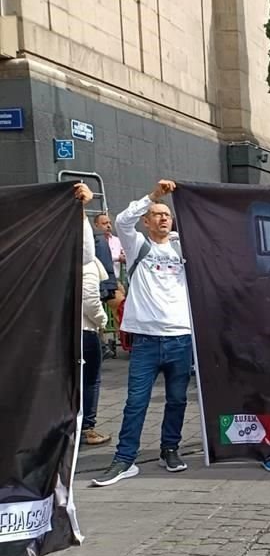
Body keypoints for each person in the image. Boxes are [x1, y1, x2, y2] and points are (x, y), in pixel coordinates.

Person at [92, 180, 193, 486]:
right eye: (157, 214)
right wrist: (152, 196)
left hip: (180, 336)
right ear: (147, 222)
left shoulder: (182, 246)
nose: (163, 217)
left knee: (177, 400)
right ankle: (125, 459)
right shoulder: (137, 244)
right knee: (136, 401)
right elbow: (123, 219)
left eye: (167, 214)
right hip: (147, 339)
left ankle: (169, 449)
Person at [75, 184, 112, 446]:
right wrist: (102, 321)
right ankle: (87, 428)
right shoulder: (85, 262)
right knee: (90, 381)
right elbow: (90, 299)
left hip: (57, 330)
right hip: (84, 330)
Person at [93, 212, 126, 281]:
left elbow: (126, 255)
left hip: (115, 279)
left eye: (110, 223)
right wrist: (118, 257)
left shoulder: (118, 240)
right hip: (99, 279)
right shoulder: (93, 241)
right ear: (96, 226)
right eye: (104, 223)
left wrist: (125, 257)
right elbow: (99, 258)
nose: (108, 226)